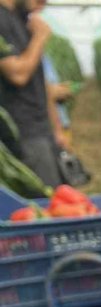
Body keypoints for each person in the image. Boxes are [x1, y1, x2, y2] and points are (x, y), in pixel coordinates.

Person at [0, 0, 66, 186]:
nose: (44, 2)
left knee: (57, 198)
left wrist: (57, 129)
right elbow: (18, 74)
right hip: (23, 134)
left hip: (41, 131)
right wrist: (40, 37)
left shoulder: (21, 19)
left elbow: (41, 83)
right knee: (42, 205)